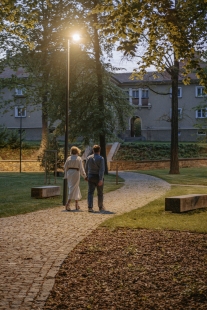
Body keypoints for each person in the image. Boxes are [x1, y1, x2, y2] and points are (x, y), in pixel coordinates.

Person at [64, 146, 87, 211]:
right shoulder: (79, 158)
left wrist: (68, 171)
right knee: (73, 187)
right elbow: (81, 169)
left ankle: (77, 204)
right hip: (76, 173)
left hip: (69, 173)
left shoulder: (68, 158)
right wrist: (85, 176)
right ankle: (68, 203)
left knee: (75, 187)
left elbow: (65, 166)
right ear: (77, 152)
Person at [85, 144, 105, 212]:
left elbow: (86, 168)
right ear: (99, 150)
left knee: (90, 192)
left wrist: (86, 176)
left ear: (93, 150)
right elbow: (102, 170)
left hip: (90, 176)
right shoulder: (101, 158)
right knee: (100, 192)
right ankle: (100, 206)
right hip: (98, 176)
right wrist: (101, 179)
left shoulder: (89, 158)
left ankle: (90, 207)